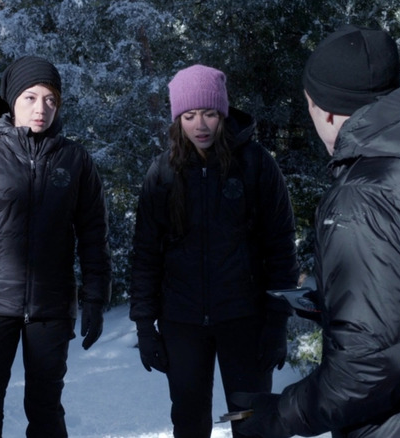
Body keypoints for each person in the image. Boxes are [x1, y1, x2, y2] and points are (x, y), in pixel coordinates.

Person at [229, 24, 400, 438]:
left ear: (328, 109)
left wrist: (281, 415)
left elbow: (370, 366)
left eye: (309, 105)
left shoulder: (367, 198)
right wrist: (336, 305)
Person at [129, 64, 299, 438]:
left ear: (223, 113)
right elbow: (145, 255)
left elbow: (281, 247)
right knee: (190, 423)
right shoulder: (162, 173)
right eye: (189, 116)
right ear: (178, 119)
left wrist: (276, 322)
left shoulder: (256, 165)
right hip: (183, 322)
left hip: (245, 320)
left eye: (209, 113)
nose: (200, 125)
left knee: (250, 421)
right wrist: (145, 325)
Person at [0, 55, 112, 438]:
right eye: (30, 98)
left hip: (52, 308)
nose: (41, 109)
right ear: (11, 101)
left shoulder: (76, 161)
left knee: (46, 410)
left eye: (51, 99)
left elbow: (93, 236)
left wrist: (94, 299)